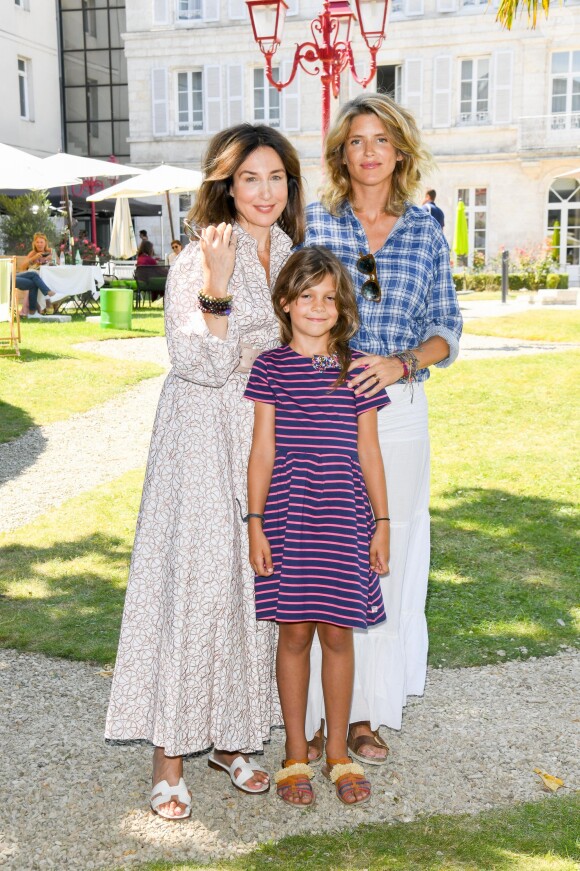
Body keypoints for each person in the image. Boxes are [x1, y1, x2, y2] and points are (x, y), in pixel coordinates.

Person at [105, 123, 305, 820]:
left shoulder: (289, 253)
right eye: (250, 178)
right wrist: (218, 289)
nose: (264, 191)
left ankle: (231, 736)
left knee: (251, 584)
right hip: (198, 434)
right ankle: (168, 757)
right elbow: (201, 362)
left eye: (276, 177)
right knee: (193, 582)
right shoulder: (200, 255)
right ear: (226, 183)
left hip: (261, 436)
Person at [304, 92, 462, 764]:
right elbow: (294, 311)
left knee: (386, 564)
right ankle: (314, 715)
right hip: (325, 411)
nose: (368, 153)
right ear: (342, 154)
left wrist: (400, 363)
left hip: (399, 419)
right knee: (322, 563)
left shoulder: (426, 228)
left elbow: (446, 330)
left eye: (380, 140)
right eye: (356, 141)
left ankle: (369, 712)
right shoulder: (315, 222)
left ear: (400, 150)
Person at [245, 246, 390, 808]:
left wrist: (381, 524)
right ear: (286, 302)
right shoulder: (269, 367)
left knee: (337, 634)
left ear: (342, 306)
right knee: (295, 634)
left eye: (329, 297)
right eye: (306, 295)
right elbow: (262, 451)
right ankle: (293, 754)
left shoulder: (360, 371)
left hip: (345, 520)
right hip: (286, 518)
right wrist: (255, 524)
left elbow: (371, 455)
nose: (318, 306)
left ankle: (336, 753)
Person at [16, 233, 56, 317]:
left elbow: (59, 263)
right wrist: (33, 258)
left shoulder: (50, 251)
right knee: (34, 277)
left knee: (36, 281)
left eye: (41, 242)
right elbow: (22, 267)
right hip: (32, 275)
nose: (39, 244)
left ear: (45, 243)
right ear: (34, 243)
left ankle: (34, 310)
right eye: (37, 242)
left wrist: (52, 259)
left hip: (48, 275)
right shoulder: (33, 253)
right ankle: (41, 305)